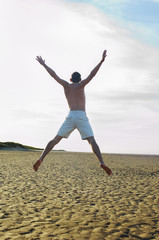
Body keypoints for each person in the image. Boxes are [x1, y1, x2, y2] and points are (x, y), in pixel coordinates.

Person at [33, 50, 112, 176]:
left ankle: (41, 158)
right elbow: (92, 74)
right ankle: (101, 162)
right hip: (81, 115)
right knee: (91, 140)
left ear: (71, 79)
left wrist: (44, 65)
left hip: (70, 116)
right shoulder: (81, 85)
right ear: (79, 79)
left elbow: (54, 75)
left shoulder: (66, 86)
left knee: (55, 139)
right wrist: (101, 61)